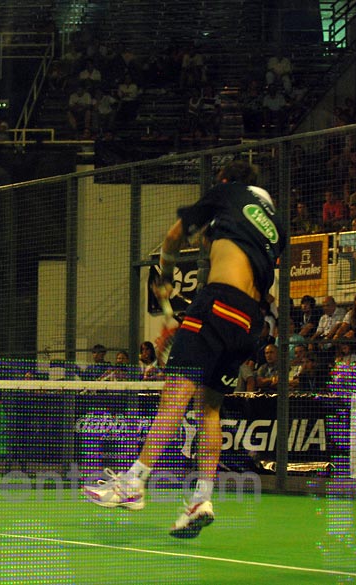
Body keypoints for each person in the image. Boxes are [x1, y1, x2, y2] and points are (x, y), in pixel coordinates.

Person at [83, 160, 285, 538]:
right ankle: (201, 499)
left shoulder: (227, 192)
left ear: (225, 179)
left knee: (175, 394)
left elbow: (174, 236)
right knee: (209, 408)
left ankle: (133, 482)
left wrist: (164, 276)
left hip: (218, 302)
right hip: (249, 322)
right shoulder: (275, 224)